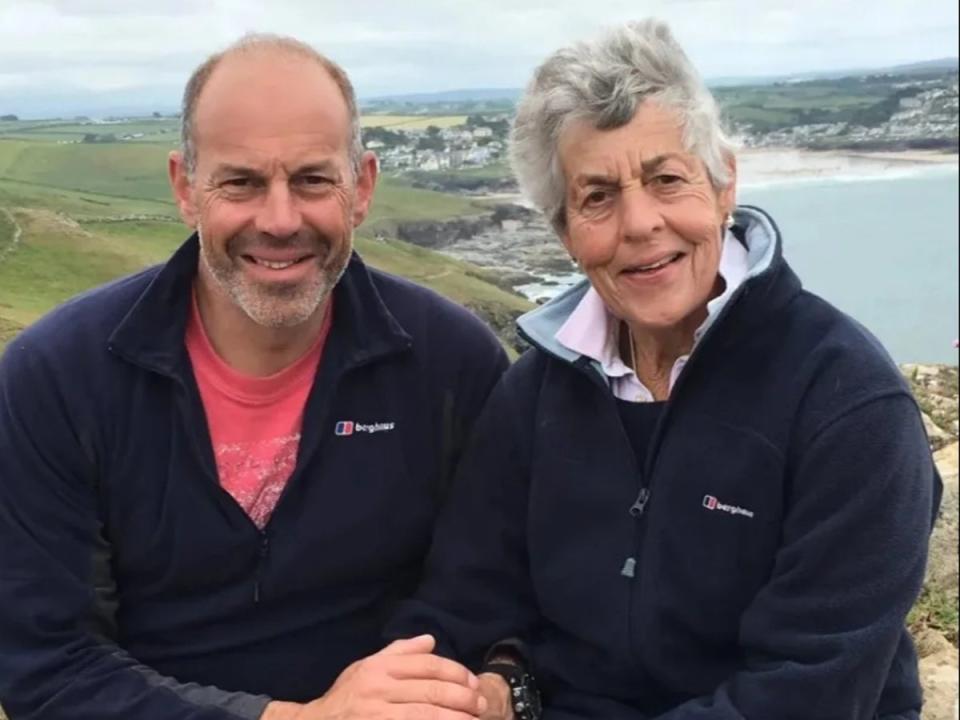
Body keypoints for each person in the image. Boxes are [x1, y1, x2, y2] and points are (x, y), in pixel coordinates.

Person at [388, 19, 943, 720]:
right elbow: (463, 603)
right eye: (598, 197)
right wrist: (486, 681)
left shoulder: (847, 401)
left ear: (723, 186)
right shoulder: (533, 395)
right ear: (565, 233)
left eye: (666, 179)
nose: (641, 223)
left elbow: (810, 690)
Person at [0, 35, 506, 720]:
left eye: (312, 179)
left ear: (362, 187)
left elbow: (483, 599)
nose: (279, 220)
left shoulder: (455, 364)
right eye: (240, 182)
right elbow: (46, 666)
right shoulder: (55, 380)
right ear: (186, 188)